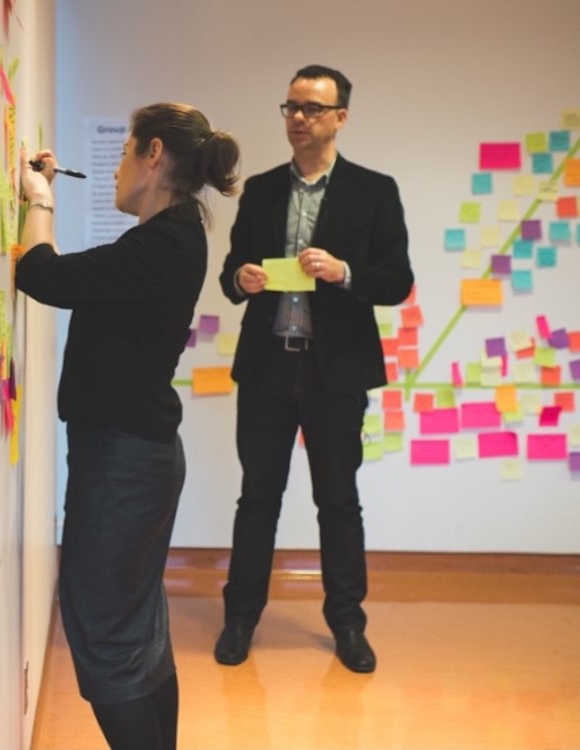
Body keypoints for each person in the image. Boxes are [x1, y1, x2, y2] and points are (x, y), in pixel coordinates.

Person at [16, 103, 239, 750]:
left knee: (105, 635)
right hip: (133, 456)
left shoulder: (164, 245)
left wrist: (39, 200)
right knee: (135, 630)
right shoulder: (169, 237)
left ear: (154, 155)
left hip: (124, 462)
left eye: (123, 153)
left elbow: (42, 275)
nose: (114, 170)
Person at [215, 65, 414, 674]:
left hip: (337, 371)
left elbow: (397, 281)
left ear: (340, 119)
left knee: (338, 500)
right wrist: (242, 279)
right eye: (291, 107)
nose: (298, 118)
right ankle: (240, 618)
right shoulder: (263, 189)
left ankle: (348, 624)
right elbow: (230, 274)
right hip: (268, 366)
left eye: (313, 109)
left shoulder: (375, 191)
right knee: (258, 498)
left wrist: (344, 271)